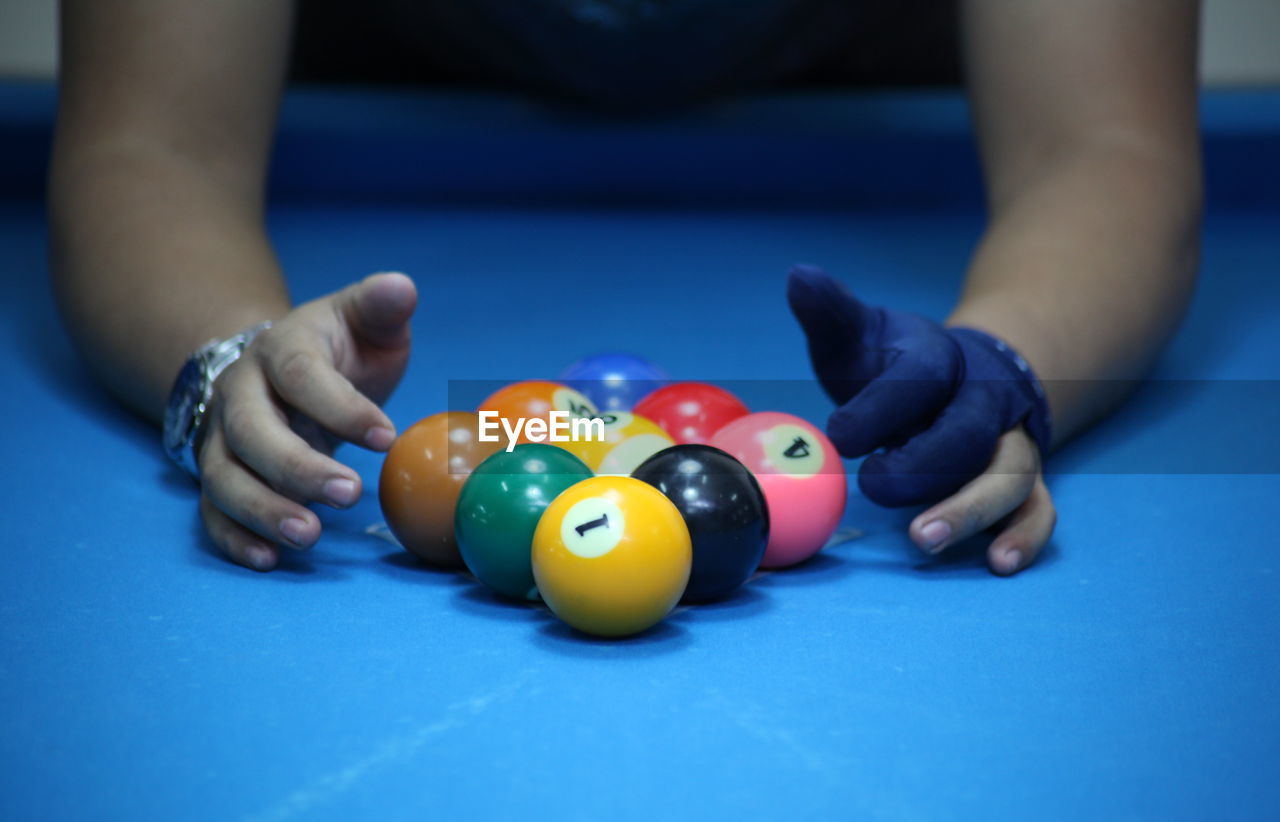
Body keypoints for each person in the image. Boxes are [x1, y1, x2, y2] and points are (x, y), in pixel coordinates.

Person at [49, 1, 1203, 574]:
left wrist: (998, 358)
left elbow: (1097, 145)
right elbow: (153, 147)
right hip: (406, 89)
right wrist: (225, 358)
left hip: (843, 94)